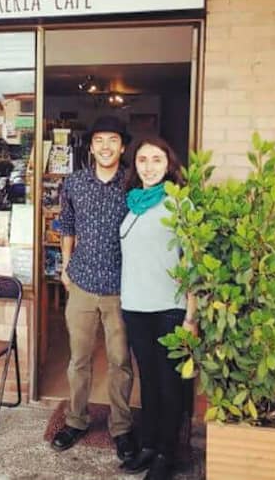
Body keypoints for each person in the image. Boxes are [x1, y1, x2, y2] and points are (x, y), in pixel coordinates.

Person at [50, 116, 138, 464]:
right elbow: (67, 226)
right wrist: (66, 267)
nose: (105, 146)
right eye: (99, 140)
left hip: (121, 286)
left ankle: (121, 427)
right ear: (90, 146)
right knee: (79, 360)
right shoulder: (74, 183)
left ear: (122, 146)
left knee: (120, 362)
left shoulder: (133, 185)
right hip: (82, 282)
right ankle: (75, 420)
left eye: (112, 140)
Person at [118, 136, 196, 480]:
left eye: (156, 160)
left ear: (169, 165)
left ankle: (167, 452)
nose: (149, 167)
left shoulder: (180, 205)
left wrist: (192, 317)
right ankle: (148, 444)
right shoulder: (133, 203)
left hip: (169, 308)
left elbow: (194, 264)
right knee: (148, 381)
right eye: (142, 160)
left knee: (170, 384)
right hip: (135, 306)